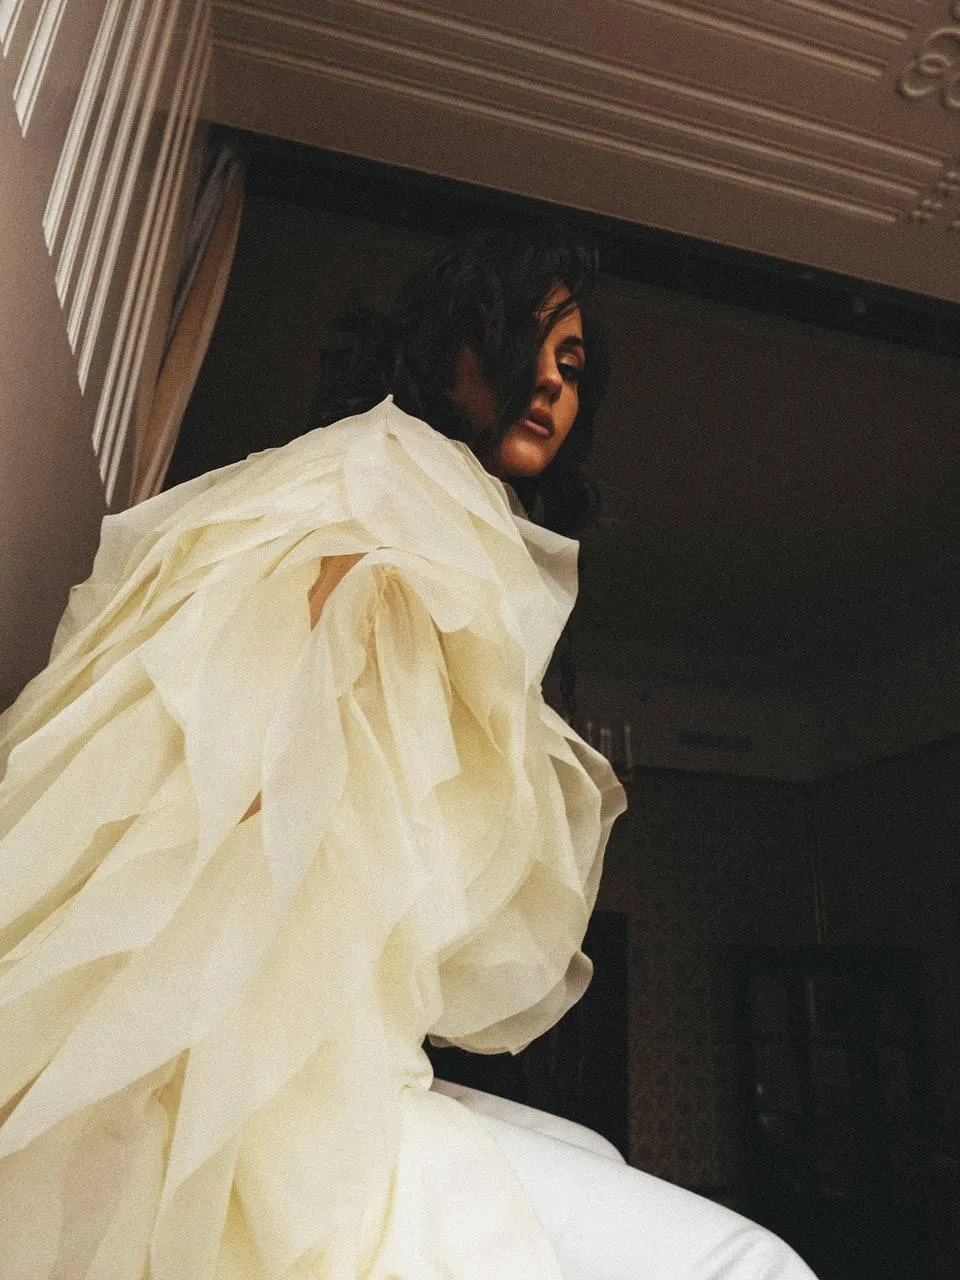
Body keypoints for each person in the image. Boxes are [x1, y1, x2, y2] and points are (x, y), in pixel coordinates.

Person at [0, 225, 813, 1278]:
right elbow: (258, 715)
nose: (556, 387)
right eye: (530, 340)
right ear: (448, 344)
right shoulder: (392, 473)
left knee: (604, 1169)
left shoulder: (398, 489)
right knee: (745, 1265)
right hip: (266, 1034)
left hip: (327, 1034)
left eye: (575, 368)